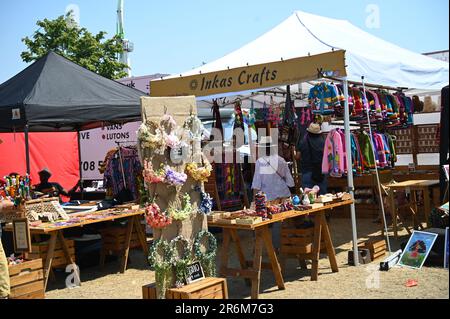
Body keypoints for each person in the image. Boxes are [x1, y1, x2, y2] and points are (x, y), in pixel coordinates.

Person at [251, 135, 295, 250]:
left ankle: (264, 248)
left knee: (263, 222)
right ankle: (280, 247)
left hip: (268, 198)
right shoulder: (281, 160)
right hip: (283, 195)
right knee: (280, 222)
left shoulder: (260, 162)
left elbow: (256, 184)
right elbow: (290, 182)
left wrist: (254, 201)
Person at [297, 123, 327, 195]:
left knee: (308, 198)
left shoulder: (303, 142)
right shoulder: (323, 142)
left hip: (307, 172)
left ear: (309, 132)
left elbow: (297, 156)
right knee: (322, 197)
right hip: (320, 173)